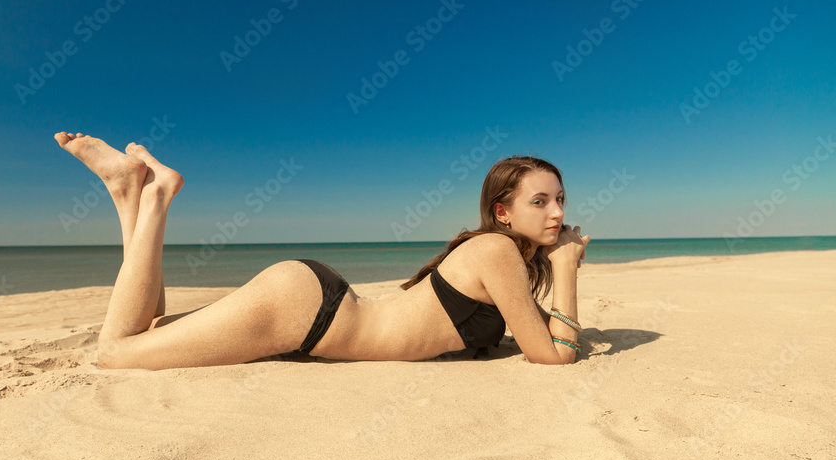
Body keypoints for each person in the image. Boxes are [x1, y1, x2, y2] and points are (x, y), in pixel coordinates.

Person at [55, 132, 590, 370]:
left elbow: (543, 333)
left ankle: (129, 193)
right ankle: (155, 197)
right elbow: (554, 355)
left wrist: (556, 273)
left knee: (152, 329)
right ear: (503, 212)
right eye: (539, 201)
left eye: (559, 200)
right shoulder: (497, 251)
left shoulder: (498, 260)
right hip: (308, 314)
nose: (557, 213)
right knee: (115, 352)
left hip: (313, 306)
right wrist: (566, 265)